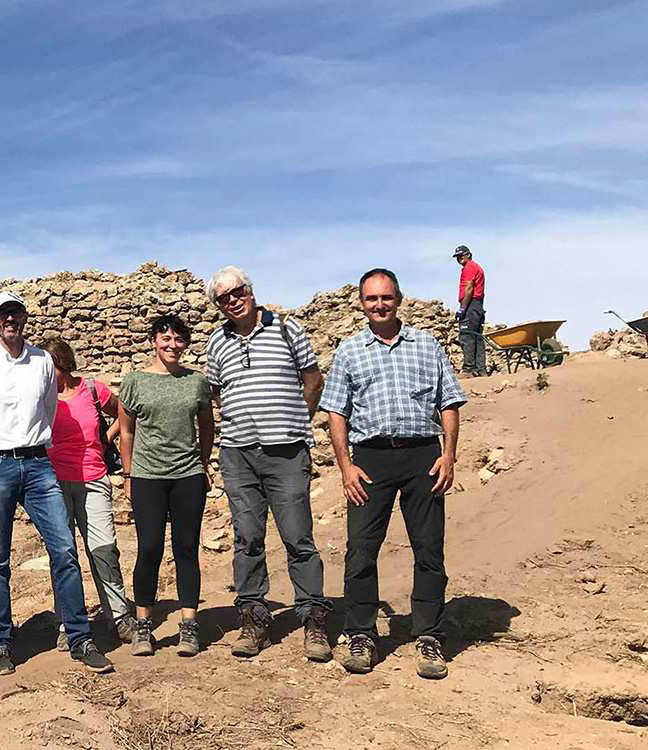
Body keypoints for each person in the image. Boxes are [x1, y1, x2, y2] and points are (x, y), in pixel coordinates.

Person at [321, 268, 466, 680]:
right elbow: (336, 411)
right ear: (361, 304)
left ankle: (429, 637)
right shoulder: (350, 351)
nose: (379, 305)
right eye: (371, 299)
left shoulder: (426, 345)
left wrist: (449, 456)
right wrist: (346, 465)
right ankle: (361, 632)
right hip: (371, 459)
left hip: (423, 456)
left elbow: (449, 401)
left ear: (398, 299)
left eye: (386, 297)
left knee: (429, 549)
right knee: (361, 550)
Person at [0, 291, 114, 675]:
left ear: (24, 317)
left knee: (64, 549)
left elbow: (47, 409)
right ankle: (0, 642)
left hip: (36, 463)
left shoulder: (43, 361)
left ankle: (80, 637)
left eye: (15, 313)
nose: (9, 319)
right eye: (3, 314)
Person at [203, 267, 333, 662]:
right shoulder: (217, 342)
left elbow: (313, 380)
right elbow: (215, 394)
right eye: (223, 298)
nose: (232, 300)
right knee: (247, 537)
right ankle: (254, 618)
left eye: (237, 292)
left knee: (298, 537)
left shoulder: (286, 330)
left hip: (286, 452)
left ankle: (313, 619)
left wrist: (297, 422)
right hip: (238, 454)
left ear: (251, 290)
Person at [117, 314, 214, 657]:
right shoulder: (135, 382)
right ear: (154, 342)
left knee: (186, 548)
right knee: (150, 548)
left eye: (178, 339)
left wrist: (202, 464)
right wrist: (128, 474)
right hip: (147, 477)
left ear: (185, 343)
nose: (172, 345)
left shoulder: (196, 382)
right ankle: (143, 626)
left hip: (187, 475)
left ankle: (189, 626)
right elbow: (126, 431)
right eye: (165, 338)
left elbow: (206, 426)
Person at [40, 338, 136, 649]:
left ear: (63, 366)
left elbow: (123, 411)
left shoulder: (92, 389)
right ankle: (69, 624)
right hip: (53, 485)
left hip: (93, 479)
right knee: (63, 555)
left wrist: (106, 438)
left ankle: (119, 617)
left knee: (104, 550)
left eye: (48, 367)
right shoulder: (40, 397)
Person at [453, 246, 487, 377]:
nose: (459, 258)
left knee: (466, 335)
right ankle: (481, 369)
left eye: (461, 255)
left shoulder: (469, 268)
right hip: (477, 305)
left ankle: (469, 369)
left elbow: (469, 288)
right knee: (477, 337)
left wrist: (462, 308)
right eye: (457, 257)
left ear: (469, 254)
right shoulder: (476, 267)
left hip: (471, 304)